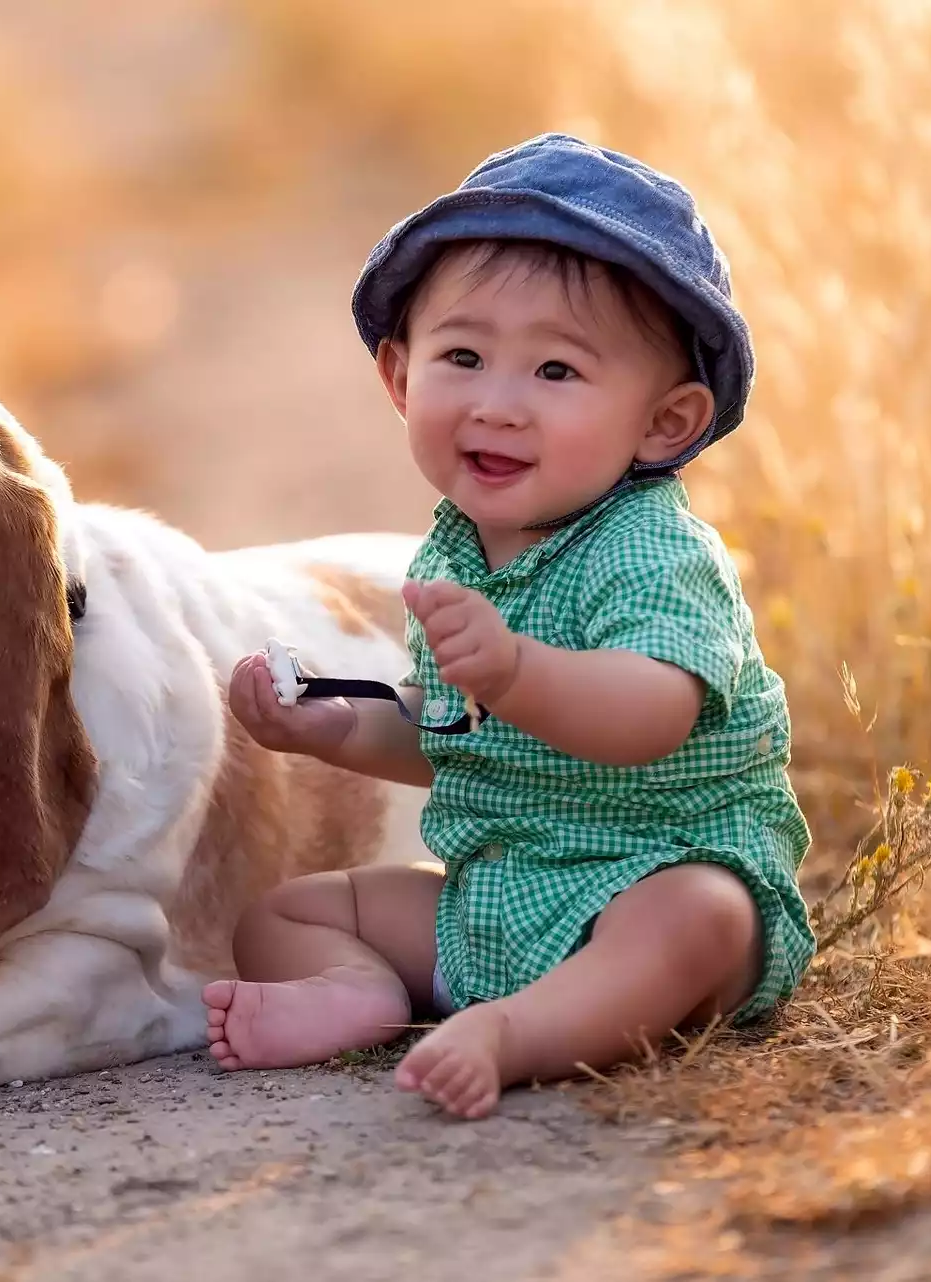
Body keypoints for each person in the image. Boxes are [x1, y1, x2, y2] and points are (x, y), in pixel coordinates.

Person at [202, 133, 814, 1120]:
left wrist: (519, 670)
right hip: (504, 892)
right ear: (400, 378)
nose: (498, 403)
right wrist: (336, 728)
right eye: (464, 356)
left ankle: (516, 1031)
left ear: (665, 423)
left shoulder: (652, 552)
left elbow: (652, 714)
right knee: (289, 910)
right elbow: (458, 738)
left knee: (703, 915)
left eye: (557, 372)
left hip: (648, 872)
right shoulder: (455, 549)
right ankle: (357, 991)